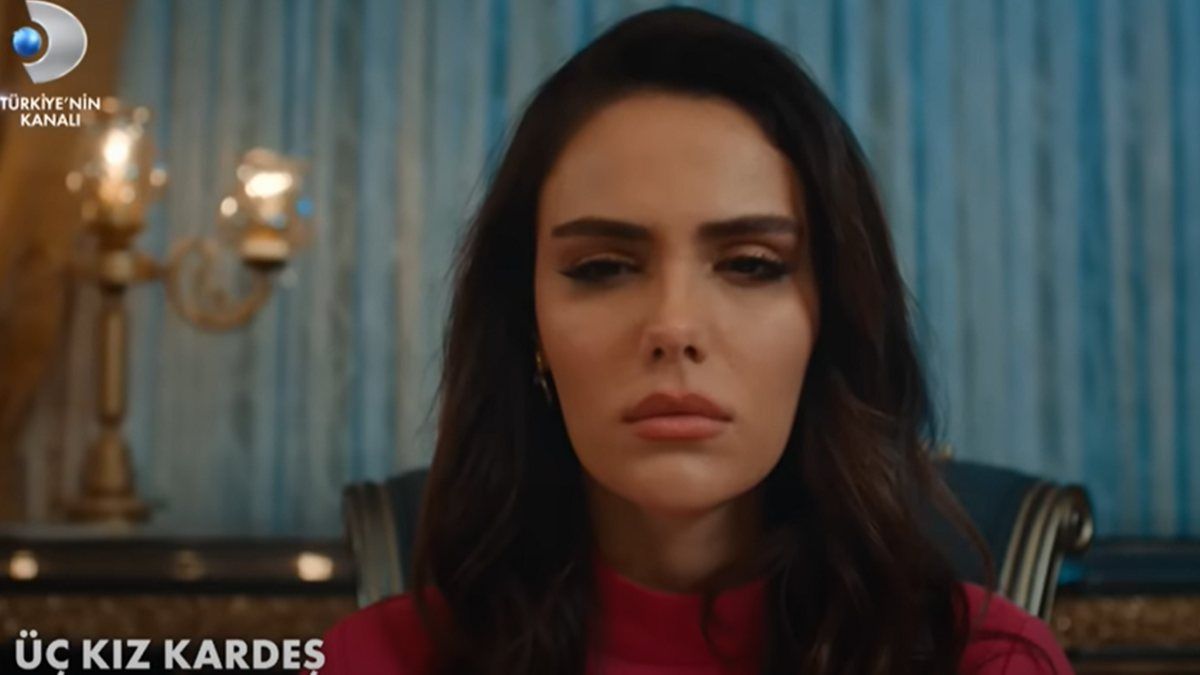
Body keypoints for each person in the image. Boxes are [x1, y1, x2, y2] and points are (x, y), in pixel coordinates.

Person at [317, 7, 1073, 675]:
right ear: (529, 324)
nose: (674, 326)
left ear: (829, 320)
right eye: (603, 267)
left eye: (751, 264)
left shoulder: (983, 660)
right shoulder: (374, 660)